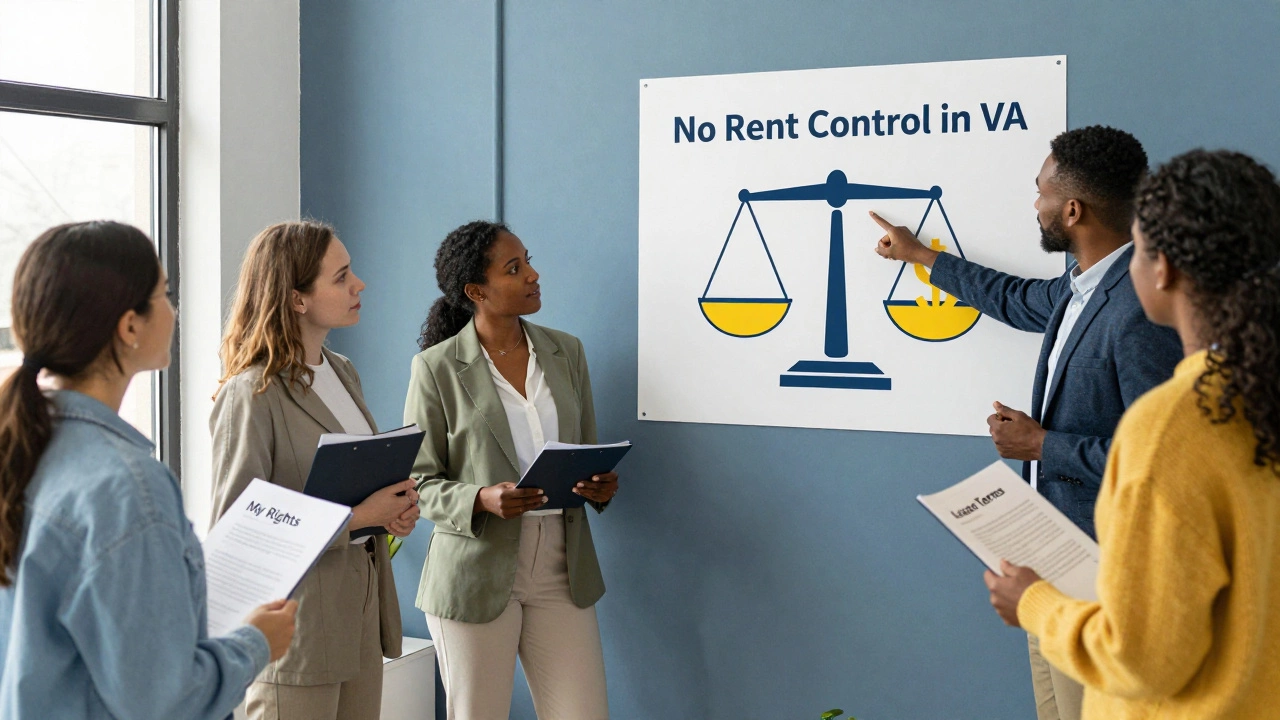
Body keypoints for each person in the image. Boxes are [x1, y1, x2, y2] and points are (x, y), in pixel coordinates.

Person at [871, 125, 1183, 720]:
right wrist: (920, 256)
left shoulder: (1141, 308)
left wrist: (1043, 445)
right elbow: (1014, 300)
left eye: (1040, 193)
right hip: (1055, 567)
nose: (1033, 205)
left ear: (1072, 209)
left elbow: (1159, 460)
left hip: (1107, 575)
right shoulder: (1083, 287)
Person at [985, 149, 1280, 719]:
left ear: (1162, 268)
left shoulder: (1173, 424)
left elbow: (1142, 657)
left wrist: (1033, 603)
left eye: (1138, 251)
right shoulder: (1254, 398)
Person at [0, 221, 297, 719]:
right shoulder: (125, 488)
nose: (174, 310)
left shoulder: (23, 449)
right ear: (130, 326)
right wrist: (256, 644)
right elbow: (163, 701)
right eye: (164, 293)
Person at [405, 220, 619, 720]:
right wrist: (480, 498)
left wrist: (601, 485)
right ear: (476, 291)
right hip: (474, 570)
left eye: (528, 260)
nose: (534, 274)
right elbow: (415, 482)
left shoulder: (568, 352)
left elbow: (586, 449)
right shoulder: (436, 369)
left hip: (562, 568)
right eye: (515, 268)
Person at [211, 220, 420, 720]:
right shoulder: (251, 393)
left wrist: (393, 511)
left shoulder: (342, 370)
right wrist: (359, 517)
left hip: (360, 617)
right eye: (342, 276)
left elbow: (354, 484)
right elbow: (240, 527)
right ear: (298, 299)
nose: (359, 284)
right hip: (298, 627)